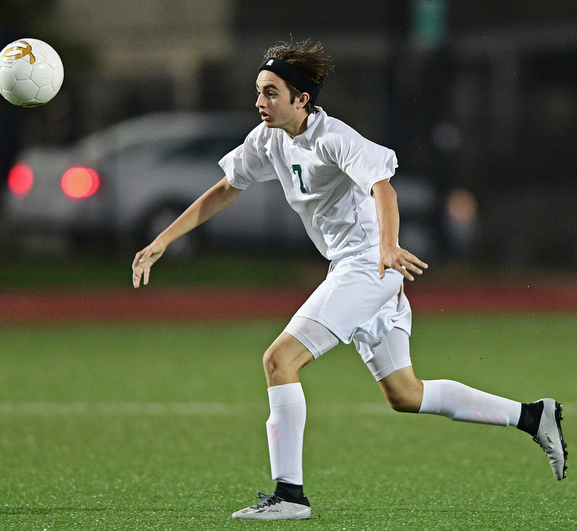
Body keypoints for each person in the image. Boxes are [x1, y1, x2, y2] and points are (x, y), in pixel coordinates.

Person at [132, 39, 567, 521]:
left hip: (369, 267)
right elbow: (224, 189)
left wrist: (386, 246)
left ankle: (290, 497)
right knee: (406, 393)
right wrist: (164, 239)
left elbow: (383, 188)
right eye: (259, 90)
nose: (260, 102)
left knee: (279, 360)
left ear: (302, 99)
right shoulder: (268, 138)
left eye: (271, 92)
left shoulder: (333, 136)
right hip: (355, 269)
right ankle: (533, 415)